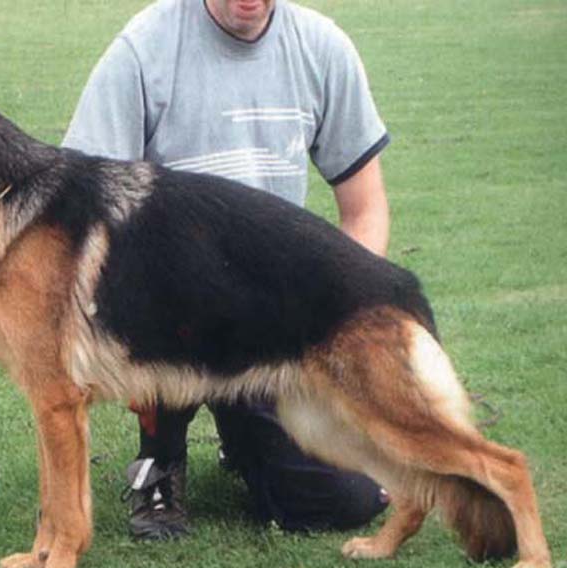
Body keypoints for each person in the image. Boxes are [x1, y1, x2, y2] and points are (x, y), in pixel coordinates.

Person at [63, 0, 391, 540]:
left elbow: (365, 209)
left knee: (346, 500)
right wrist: (117, 319)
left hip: (271, 324)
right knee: (162, 297)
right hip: (166, 314)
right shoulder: (144, 49)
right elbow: (80, 204)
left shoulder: (322, 48)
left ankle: (245, 437)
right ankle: (159, 463)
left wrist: (341, 325)